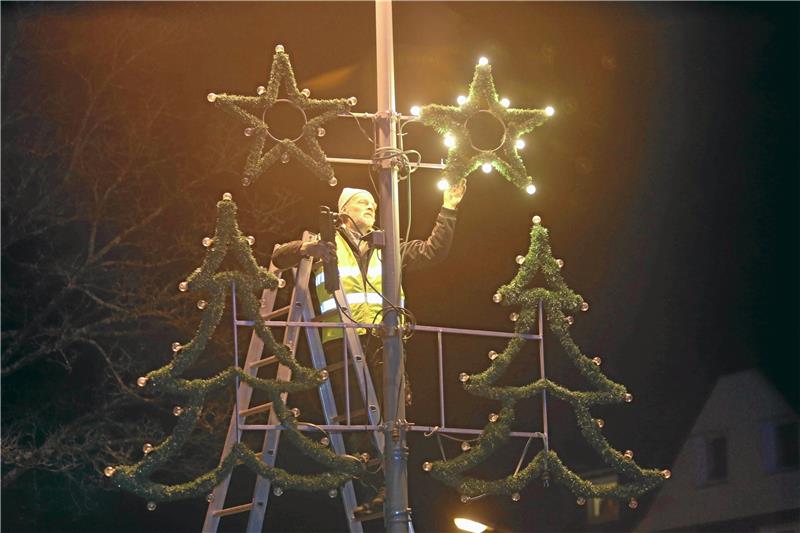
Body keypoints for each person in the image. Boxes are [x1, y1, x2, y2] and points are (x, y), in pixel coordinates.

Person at [270, 180, 466, 517]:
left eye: (374, 205)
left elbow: (434, 250)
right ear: (344, 212)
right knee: (359, 420)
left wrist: (448, 208)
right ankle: (375, 489)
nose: (372, 208)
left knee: (391, 419)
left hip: (383, 339)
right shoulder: (325, 243)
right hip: (341, 341)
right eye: (363, 203)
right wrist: (306, 250)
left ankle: (387, 494)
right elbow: (277, 256)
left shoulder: (389, 249)